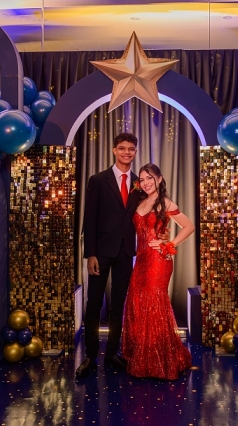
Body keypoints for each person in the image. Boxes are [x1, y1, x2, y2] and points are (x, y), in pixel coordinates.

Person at [76, 133, 142, 378]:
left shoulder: (139, 183)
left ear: (135, 152)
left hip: (125, 251)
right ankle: (91, 355)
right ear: (114, 150)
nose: (127, 152)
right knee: (93, 303)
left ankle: (113, 352)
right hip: (101, 252)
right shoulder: (98, 180)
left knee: (118, 305)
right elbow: (89, 218)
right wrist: (90, 254)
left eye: (131, 149)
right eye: (122, 148)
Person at [122, 163, 194, 380]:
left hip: (158, 260)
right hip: (141, 259)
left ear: (159, 179)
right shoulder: (139, 201)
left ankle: (160, 360)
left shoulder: (166, 203)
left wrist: (169, 244)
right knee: (137, 301)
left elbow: (189, 226)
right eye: (142, 179)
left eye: (149, 178)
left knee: (154, 303)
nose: (145, 183)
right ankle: (143, 356)